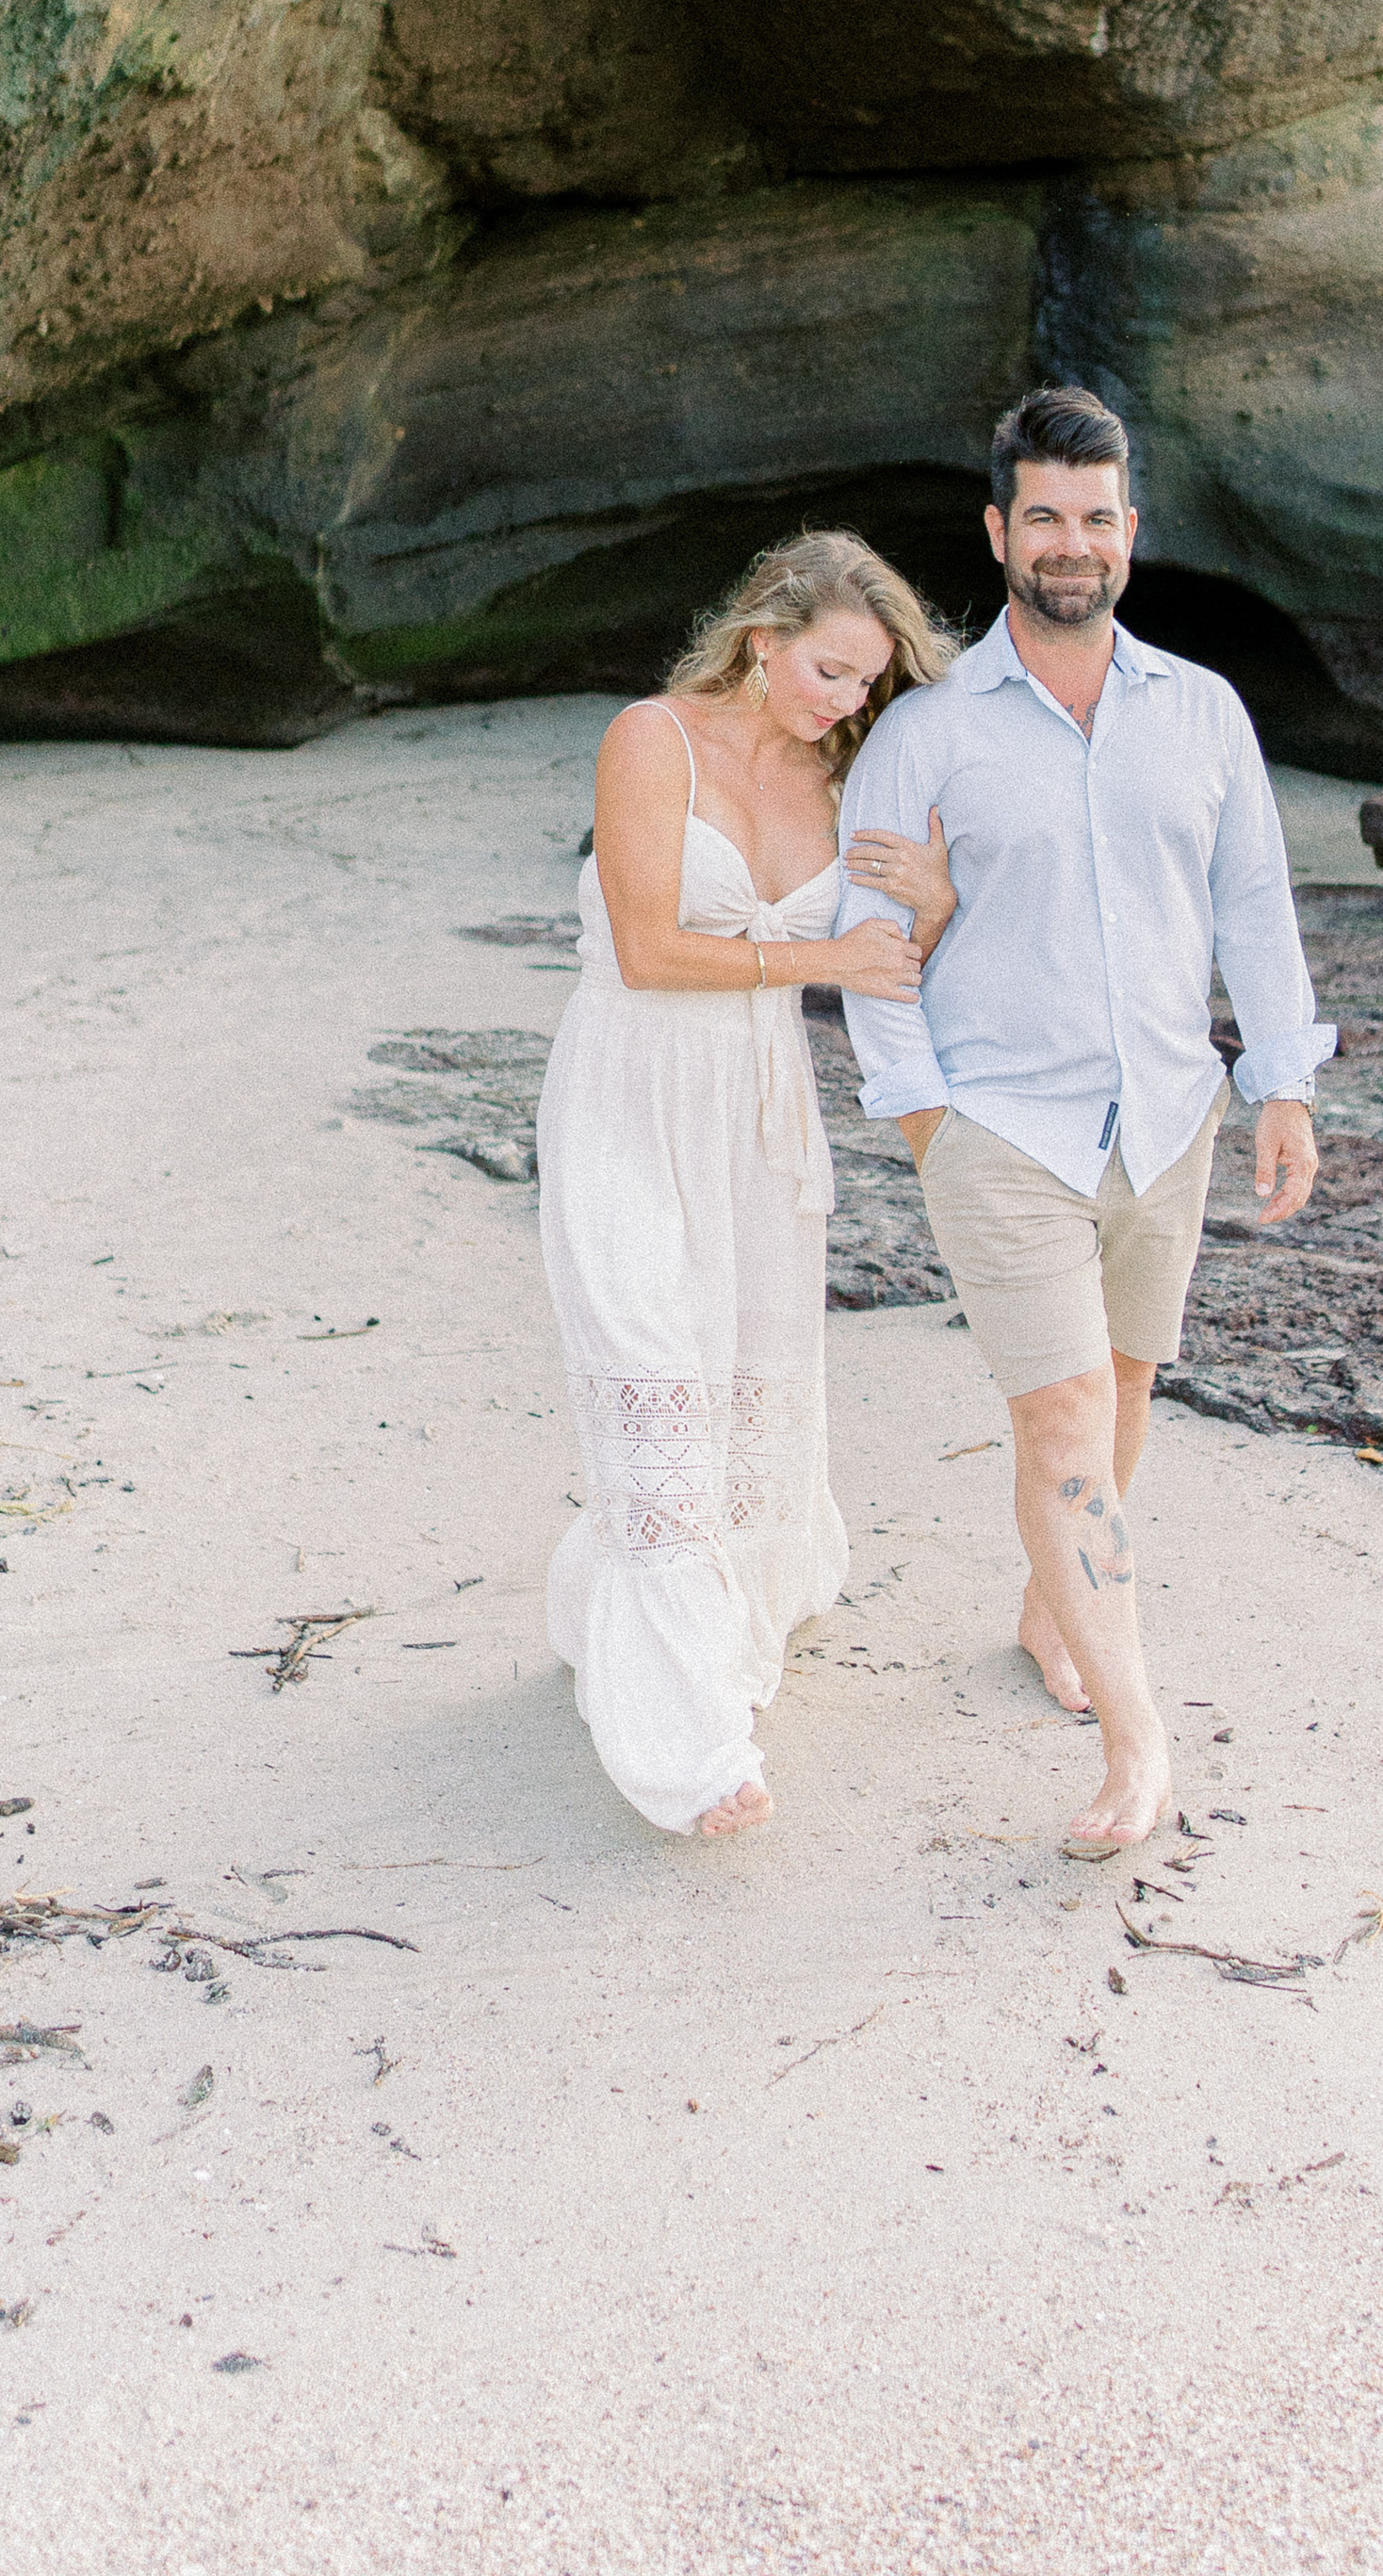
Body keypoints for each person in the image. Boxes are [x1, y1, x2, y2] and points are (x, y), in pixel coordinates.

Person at [836, 387, 1333, 1856]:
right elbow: (873, 943)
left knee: (1119, 1399)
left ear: (1132, 532)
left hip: (1167, 1117)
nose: (1072, 544)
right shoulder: (926, 736)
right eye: (1043, 516)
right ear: (998, 532)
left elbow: (1253, 905)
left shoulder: (1204, 714)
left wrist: (1280, 1083)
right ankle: (1137, 1740)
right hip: (1003, 1128)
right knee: (1054, 1415)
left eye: (1096, 518)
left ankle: (1056, 1612)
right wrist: (926, 1118)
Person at [536, 533, 957, 1840]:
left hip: (759, 1121)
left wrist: (930, 906)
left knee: (729, 1397)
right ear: (764, 636)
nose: (843, 701)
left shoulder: (848, 777)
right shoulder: (649, 741)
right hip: (626, 1097)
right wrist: (824, 958)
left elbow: (897, 947)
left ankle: (624, 1606)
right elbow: (654, 948)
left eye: (867, 685)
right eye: (829, 668)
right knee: (652, 1381)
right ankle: (689, 1745)